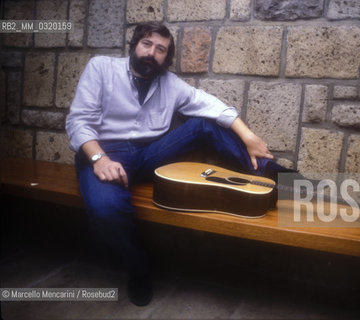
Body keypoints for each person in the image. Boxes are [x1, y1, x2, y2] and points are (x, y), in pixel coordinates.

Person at [65, 21, 289, 306]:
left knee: (203, 125)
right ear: (134, 45)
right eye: (147, 44)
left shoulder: (169, 84)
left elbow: (212, 106)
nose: (152, 53)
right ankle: (139, 267)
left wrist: (249, 136)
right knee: (106, 210)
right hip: (103, 153)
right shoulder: (101, 68)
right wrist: (99, 159)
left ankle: (272, 174)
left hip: (148, 154)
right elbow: (78, 121)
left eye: (161, 49)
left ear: (166, 57)